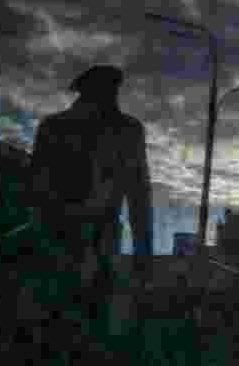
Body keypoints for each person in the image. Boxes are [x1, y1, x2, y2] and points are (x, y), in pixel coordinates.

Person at [19, 65, 154, 359]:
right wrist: (144, 251)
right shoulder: (127, 130)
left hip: (65, 237)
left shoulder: (53, 126)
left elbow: (33, 189)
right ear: (93, 92)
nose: (113, 97)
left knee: (61, 323)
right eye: (109, 91)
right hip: (85, 238)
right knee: (87, 324)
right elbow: (139, 194)